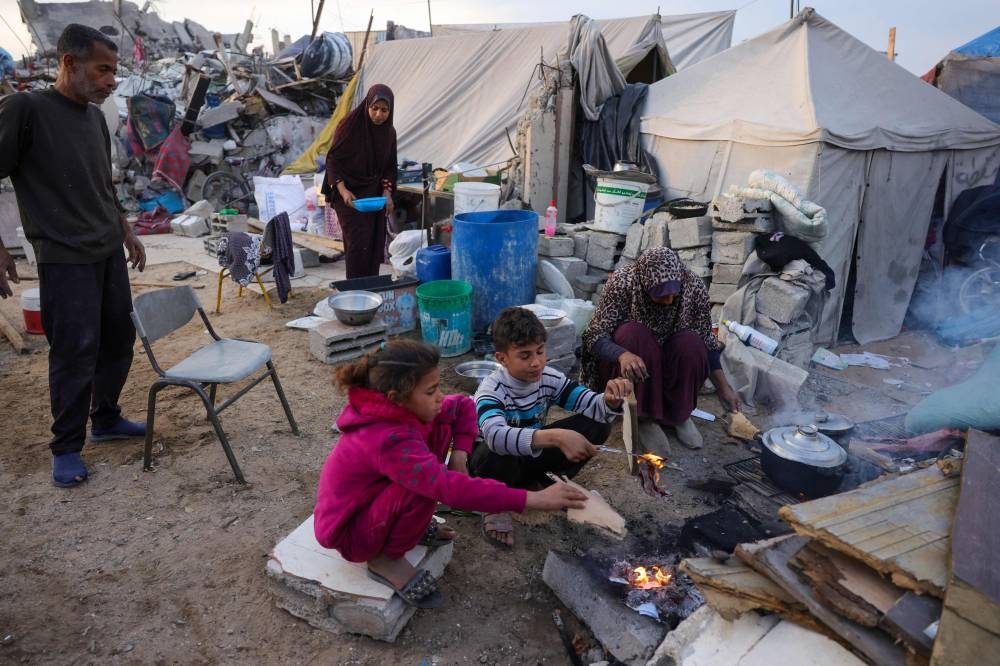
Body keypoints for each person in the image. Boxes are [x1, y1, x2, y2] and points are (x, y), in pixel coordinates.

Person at [313, 340, 588, 609]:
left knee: (441, 430)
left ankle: (407, 529)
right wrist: (535, 499)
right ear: (398, 398)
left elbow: (464, 406)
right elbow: (448, 488)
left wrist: (460, 454)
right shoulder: (386, 438)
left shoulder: (405, 410)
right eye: (432, 391)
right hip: (350, 531)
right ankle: (385, 559)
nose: (439, 396)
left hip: (374, 503)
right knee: (425, 485)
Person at [0, 24, 147, 488]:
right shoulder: (27, 109)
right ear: (69, 63)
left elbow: (102, 185)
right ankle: (66, 446)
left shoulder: (93, 119)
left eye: (114, 71)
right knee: (74, 350)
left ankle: (105, 419)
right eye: (103, 69)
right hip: (63, 256)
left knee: (119, 339)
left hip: (106, 250)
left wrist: (126, 230)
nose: (110, 81)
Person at [471, 307, 633, 547]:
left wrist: (609, 400)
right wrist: (556, 436)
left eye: (540, 351)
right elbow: (495, 436)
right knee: (497, 448)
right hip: (494, 468)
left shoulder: (548, 378)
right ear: (501, 359)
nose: (536, 362)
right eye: (525, 356)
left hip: (530, 460)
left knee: (598, 423)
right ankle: (496, 505)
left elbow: (589, 403)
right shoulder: (492, 391)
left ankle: (544, 484)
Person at [581, 247, 741, 452]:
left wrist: (725, 389)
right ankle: (643, 417)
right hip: (634, 359)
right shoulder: (623, 282)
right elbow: (594, 334)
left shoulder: (693, 285)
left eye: (673, 295)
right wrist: (622, 354)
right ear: (645, 285)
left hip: (669, 359)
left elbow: (708, 344)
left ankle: (678, 415)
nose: (669, 301)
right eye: (661, 296)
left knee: (692, 343)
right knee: (634, 335)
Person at [322, 84, 397, 279]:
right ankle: (354, 292)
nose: (378, 115)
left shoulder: (389, 133)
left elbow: (390, 166)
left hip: (373, 195)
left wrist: (387, 194)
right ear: (367, 106)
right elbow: (333, 160)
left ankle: (370, 290)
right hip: (348, 193)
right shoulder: (349, 126)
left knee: (373, 243)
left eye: (384, 110)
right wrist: (343, 190)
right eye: (374, 108)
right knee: (357, 244)